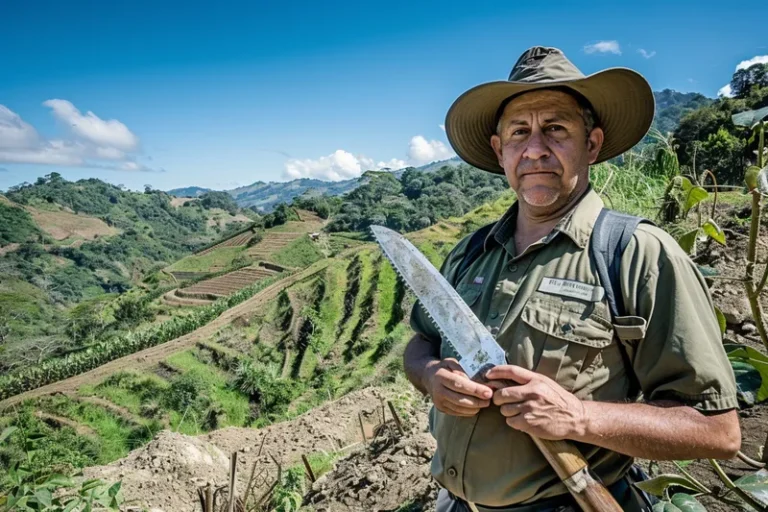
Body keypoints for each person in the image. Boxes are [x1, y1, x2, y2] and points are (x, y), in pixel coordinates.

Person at [404, 46, 741, 512]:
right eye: (520, 132)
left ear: (593, 143)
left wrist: (579, 417)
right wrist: (429, 374)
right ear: (500, 151)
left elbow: (717, 432)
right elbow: (421, 341)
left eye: (556, 129)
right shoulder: (470, 252)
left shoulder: (636, 255)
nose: (536, 148)